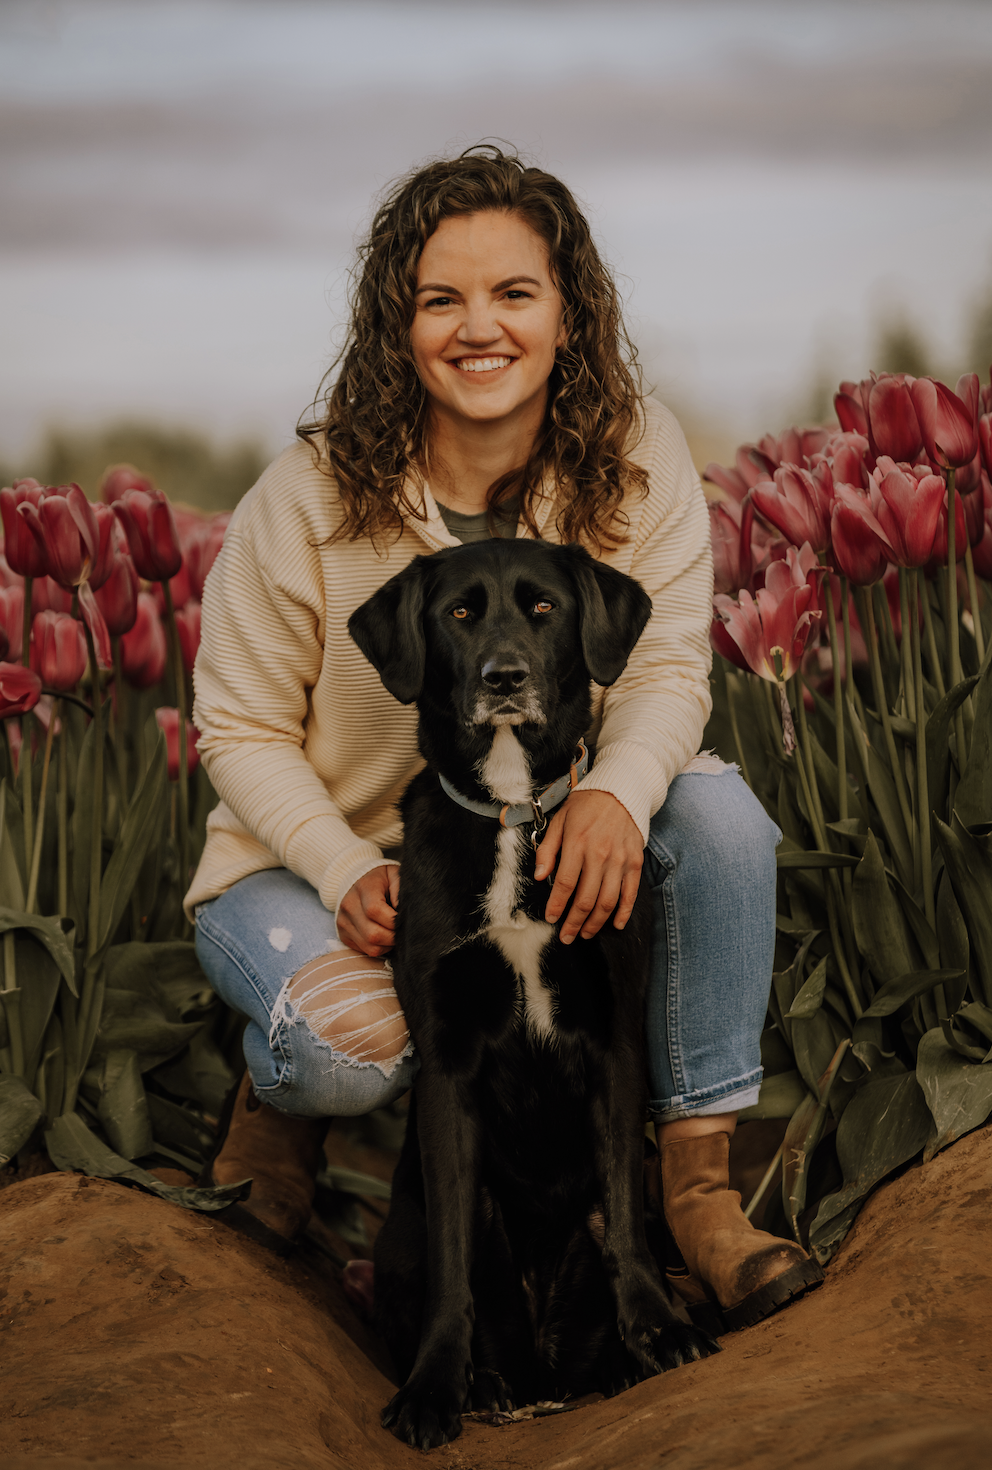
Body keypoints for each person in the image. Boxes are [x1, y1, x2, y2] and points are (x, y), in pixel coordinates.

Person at [186, 146, 820, 1332]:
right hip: (306, 867)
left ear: (567, 311)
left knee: (720, 820)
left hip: (535, 822)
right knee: (350, 1048)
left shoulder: (633, 462)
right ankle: (282, 1125)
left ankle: (693, 1192)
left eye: (513, 293)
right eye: (441, 300)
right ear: (399, 323)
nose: (479, 328)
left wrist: (621, 793)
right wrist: (339, 864)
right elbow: (237, 722)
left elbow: (671, 661)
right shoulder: (308, 498)